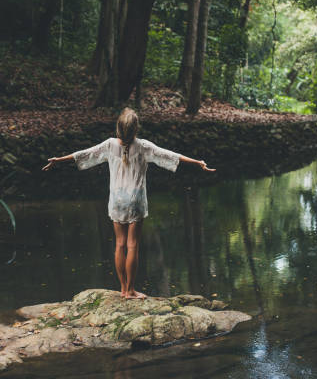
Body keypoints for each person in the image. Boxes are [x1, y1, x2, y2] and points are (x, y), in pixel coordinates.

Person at [42, 108, 215, 299]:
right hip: (136, 201)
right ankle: (131, 290)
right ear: (135, 129)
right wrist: (198, 162)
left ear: (118, 128)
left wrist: (58, 160)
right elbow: (170, 155)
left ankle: (123, 289)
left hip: (117, 200)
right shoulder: (143, 146)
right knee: (132, 245)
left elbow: (84, 154)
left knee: (120, 244)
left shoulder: (109, 145)